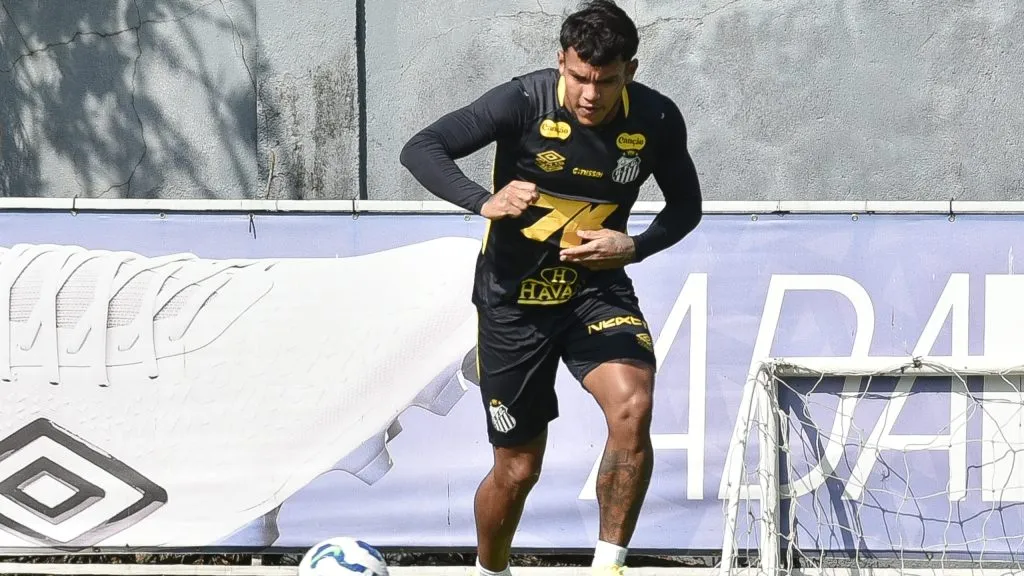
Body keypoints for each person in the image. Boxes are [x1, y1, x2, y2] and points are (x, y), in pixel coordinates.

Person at [399, 1, 702, 574]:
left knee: (633, 405)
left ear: (630, 71)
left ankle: (608, 567)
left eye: (606, 81)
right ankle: (492, 569)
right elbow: (421, 148)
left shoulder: (656, 118)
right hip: (513, 302)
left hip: (596, 293)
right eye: (580, 77)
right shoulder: (522, 100)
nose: (591, 94)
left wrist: (634, 245)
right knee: (518, 469)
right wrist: (483, 200)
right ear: (561, 61)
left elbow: (686, 206)